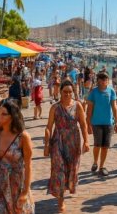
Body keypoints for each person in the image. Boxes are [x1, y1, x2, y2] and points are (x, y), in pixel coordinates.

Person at [44, 80, 89, 212]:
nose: (67, 94)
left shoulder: (78, 106)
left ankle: (67, 189)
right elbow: (48, 127)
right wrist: (46, 143)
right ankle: (60, 201)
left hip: (73, 142)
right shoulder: (55, 108)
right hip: (58, 141)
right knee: (59, 171)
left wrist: (86, 141)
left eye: (70, 92)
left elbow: (83, 124)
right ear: (60, 92)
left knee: (72, 169)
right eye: (65, 92)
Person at [0, 99, 34, 213]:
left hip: (17, 185)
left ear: (12, 116)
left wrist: (25, 192)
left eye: (4, 114)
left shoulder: (23, 137)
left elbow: (28, 165)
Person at [86, 72, 117, 176]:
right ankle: (95, 162)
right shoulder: (93, 92)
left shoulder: (111, 91)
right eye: (103, 79)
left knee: (105, 146)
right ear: (99, 80)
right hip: (96, 123)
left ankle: (102, 166)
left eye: (106, 79)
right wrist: (88, 124)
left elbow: (114, 107)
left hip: (108, 123)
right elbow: (89, 109)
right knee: (97, 145)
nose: (105, 81)